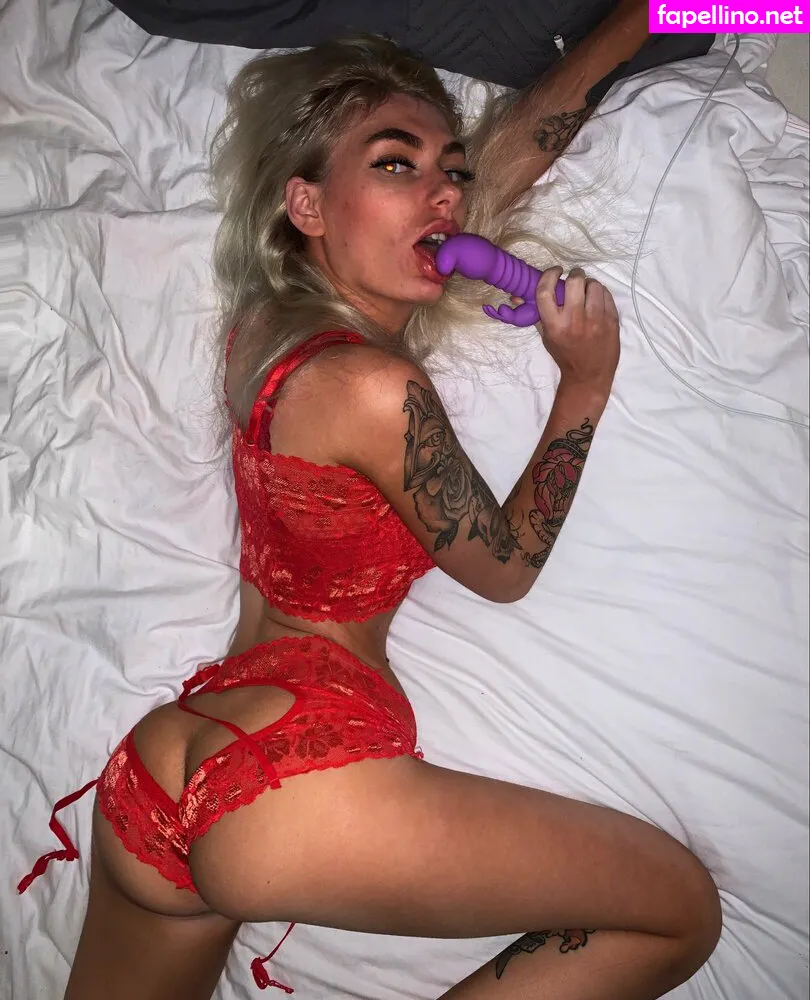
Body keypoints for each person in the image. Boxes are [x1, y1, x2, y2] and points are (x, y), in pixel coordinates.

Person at [20, 8, 722, 1000]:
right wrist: (585, 383)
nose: (443, 193)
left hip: (168, 768)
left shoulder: (273, 329)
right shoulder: (375, 390)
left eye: (450, 172)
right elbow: (506, 568)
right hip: (294, 766)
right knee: (677, 910)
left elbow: (495, 169)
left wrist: (637, 24)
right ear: (305, 203)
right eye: (397, 164)